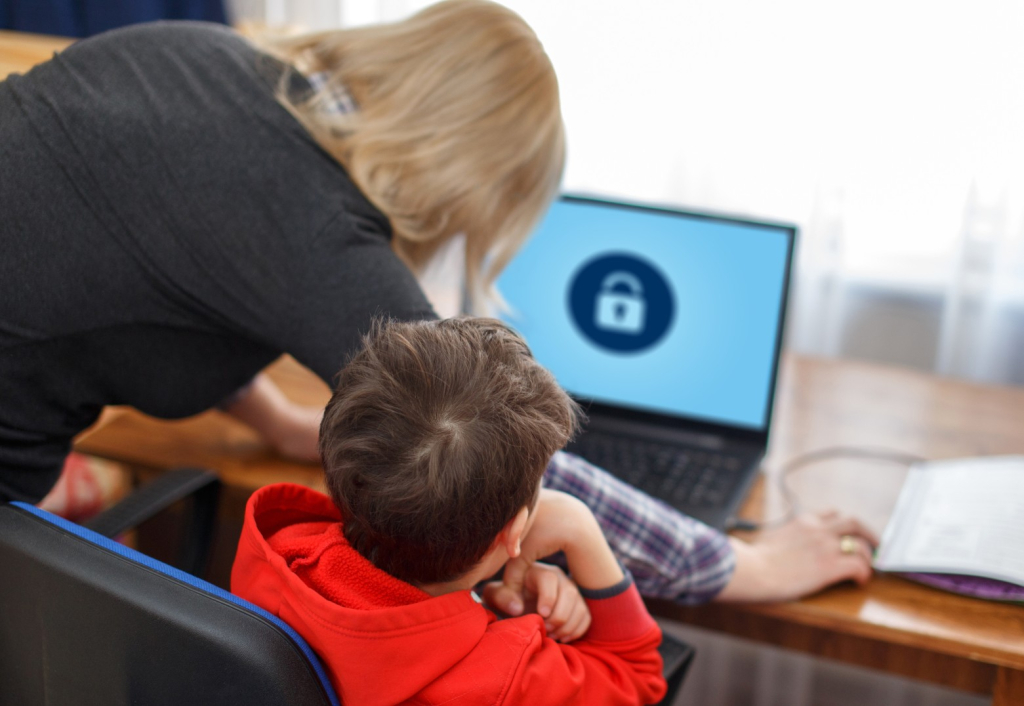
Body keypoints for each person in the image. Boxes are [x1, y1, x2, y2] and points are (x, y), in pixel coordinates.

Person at [0, 0, 875, 605]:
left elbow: (155, 260)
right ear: (472, 182)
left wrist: (269, 419)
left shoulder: (202, 57)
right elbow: (516, 470)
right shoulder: (322, 237)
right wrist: (747, 564)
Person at [231, 317, 667, 705]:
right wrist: (579, 527)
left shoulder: (275, 549)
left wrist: (486, 608)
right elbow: (639, 678)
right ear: (513, 533)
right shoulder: (506, 678)